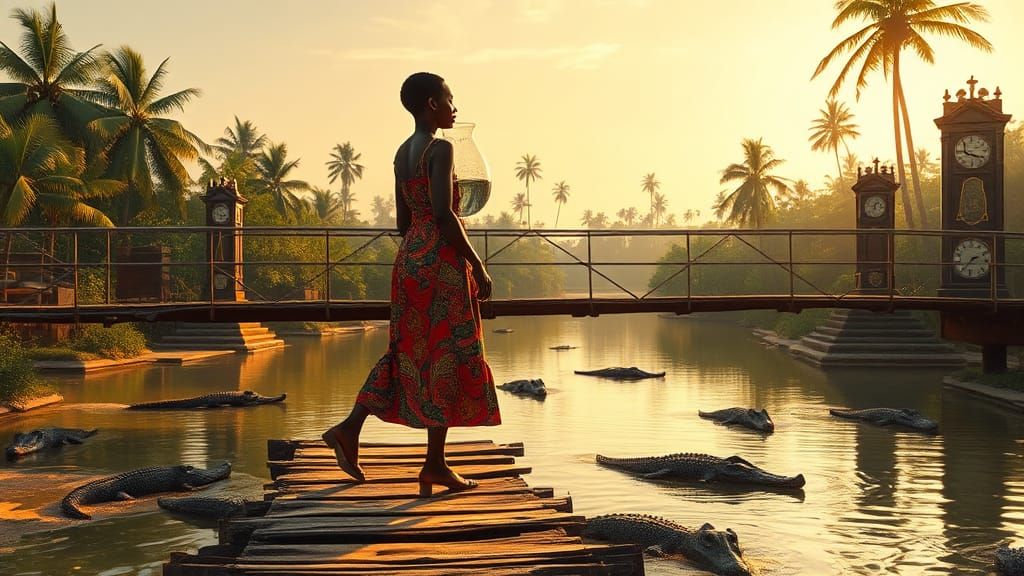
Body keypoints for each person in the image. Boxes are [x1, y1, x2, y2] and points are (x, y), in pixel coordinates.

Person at [322, 72, 501, 497]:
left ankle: (354, 430)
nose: (455, 107)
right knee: (449, 350)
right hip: (441, 260)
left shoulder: (403, 153)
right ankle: (433, 464)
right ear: (429, 104)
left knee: (409, 350)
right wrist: (477, 264)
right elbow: (444, 213)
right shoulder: (441, 148)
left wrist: (422, 249)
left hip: (410, 262)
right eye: (449, 99)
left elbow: (405, 223)